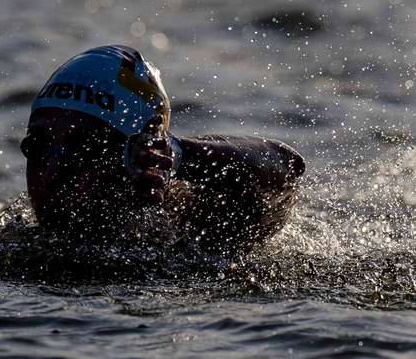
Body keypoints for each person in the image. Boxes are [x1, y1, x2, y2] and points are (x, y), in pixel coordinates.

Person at [20, 45, 305, 257]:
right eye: (38, 146)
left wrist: (180, 154)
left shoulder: (192, 230)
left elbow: (286, 166)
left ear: (144, 157)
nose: (53, 173)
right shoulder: (13, 244)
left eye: (85, 149)